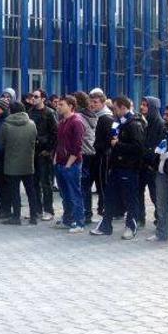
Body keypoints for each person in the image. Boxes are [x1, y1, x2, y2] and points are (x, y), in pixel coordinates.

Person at [91, 97, 145, 240]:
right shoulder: (118, 122)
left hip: (129, 168)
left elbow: (139, 148)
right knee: (109, 197)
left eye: (115, 108)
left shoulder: (134, 124)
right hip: (116, 167)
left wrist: (118, 145)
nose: (113, 111)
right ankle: (105, 225)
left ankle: (131, 227)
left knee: (130, 199)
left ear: (123, 107)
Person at [0, 101, 38, 225]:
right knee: (31, 191)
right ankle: (33, 217)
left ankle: (16, 217)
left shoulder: (6, 125)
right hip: (28, 162)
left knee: (15, 191)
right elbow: (35, 139)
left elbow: (2, 143)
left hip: (12, 163)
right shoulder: (32, 124)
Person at [53, 96, 86, 233]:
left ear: (71, 106)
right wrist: (55, 158)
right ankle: (68, 219)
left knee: (74, 193)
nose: (58, 107)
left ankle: (79, 223)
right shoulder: (62, 122)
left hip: (71, 164)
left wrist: (68, 164)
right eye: (58, 104)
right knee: (65, 194)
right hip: (60, 162)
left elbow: (77, 146)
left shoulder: (76, 122)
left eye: (62, 104)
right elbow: (59, 142)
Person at [28, 89, 58, 221]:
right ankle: (37, 209)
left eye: (36, 96)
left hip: (44, 153)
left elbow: (55, 133)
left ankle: (48, 210)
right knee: (34, 182)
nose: (33, 99)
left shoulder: (50, 113)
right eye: (32, 96)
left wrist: (49, 149)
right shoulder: (30, 112)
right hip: (32, 152)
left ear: (43, 99)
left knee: (46, 182)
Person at [89, 89, 114, 221]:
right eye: (91, 101)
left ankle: (104, 210)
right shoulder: (96, 115)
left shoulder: (106, 118)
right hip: (96, 155)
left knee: (102, 184)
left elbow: (109, 140)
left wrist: (97, 148)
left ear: (103, 103)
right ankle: (100, 209)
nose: (92, 104)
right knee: (97, 184)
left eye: (95, 102)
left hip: (102, 157)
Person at [138, 96, 163, 227]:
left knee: (155, 195)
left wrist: (152, 161)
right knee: (138, 191)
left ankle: (161, 219)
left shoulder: (159, 124)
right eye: (142, 104)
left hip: (152, 166)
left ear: (152, 107)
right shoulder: (144, 122)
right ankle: (139, 217)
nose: (142, 107)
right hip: (142, 164)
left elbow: (158, 147)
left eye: (145, 105)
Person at [74, 91, 98, 225]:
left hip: (82, 153)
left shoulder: (79, 118)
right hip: (90, 152)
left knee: (81, 185)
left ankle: (83, 214)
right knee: (85, 186)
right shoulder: (90, 115)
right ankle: (87, 213)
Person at [148, 107, 168, 241]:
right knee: (161, 204)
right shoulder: (164, 130)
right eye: (165, 114)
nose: (165, 117)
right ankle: (161, 233)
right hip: (161, 172)